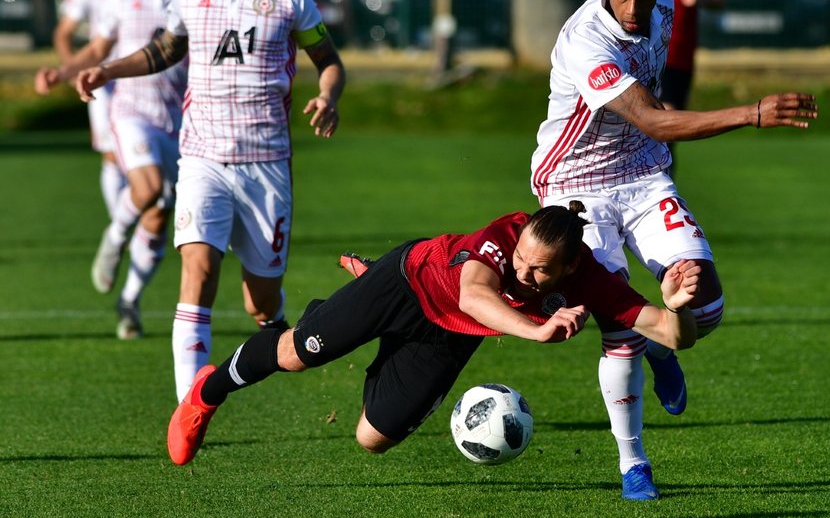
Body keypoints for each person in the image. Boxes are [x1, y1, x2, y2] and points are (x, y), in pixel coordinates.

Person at [553, 0, 817, 500]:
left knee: (706, 307)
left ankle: (658, 345)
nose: (631, 10)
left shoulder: (662, 0)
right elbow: (656, 120)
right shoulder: (585, 42)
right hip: (576, 184)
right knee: (620, 320)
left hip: (642, 173)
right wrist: (751, 113)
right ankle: (633, 465)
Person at [165, 203, 701, 467]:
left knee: (372, 439)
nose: (524, 274)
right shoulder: (504, 237)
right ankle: (207, 392)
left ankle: (360, 325)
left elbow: (672, 335)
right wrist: (538, 332)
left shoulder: (592, 280)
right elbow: (474, 295)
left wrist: (678, 309)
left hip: (449, 331)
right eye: (522, 261)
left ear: (567, 271)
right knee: (298, 351)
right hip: (407, 282)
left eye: (540, 273)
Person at [75, 0, 346, 399]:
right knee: (197, 271)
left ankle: (275, 318)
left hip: (266, 165)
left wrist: (328, 95)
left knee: (260, 303)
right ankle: (189, 406)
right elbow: (163, 50)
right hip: (202, 158)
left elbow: (327, 60)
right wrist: (107, 70)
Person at [37, 0, 191, 339]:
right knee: (146, 189)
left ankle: (130, 301)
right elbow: (100, 47)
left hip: (177, 121)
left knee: (160, 214)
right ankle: (115, 234)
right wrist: (64, 72)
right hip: (131, 114)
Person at [36, 0, 139, 245]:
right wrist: (71, 70)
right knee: (112, 154)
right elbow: (64, 33)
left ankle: (134, 222)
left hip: (146, 80)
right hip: (104, 83)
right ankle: (118, 228)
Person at [650, 0, 724, 167]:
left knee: (669, 126)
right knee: (649, 125)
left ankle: (664, 187)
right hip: (644, 54)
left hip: (679, 55)